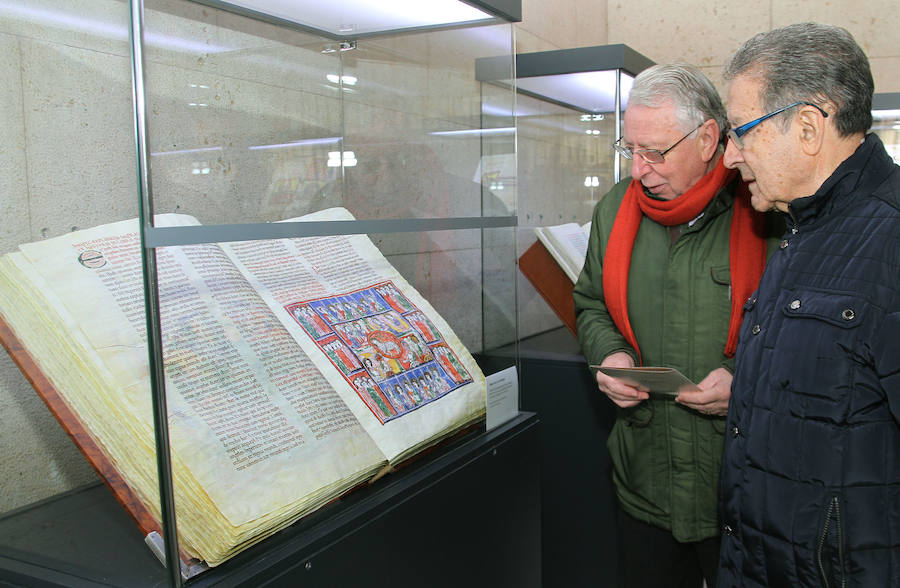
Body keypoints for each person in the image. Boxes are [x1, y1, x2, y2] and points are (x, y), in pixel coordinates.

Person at [573, 63, 778, 587]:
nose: (640, 169)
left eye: (657, 152)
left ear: (709, 138)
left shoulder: (765, 205)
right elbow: (592, 303)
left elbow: (799, 332)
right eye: (630, 149)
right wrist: (610, 355)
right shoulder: (615, 210)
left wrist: (745, 380)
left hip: (740, 484)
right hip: (645, 479)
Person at [716, 23, 900, 587]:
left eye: (740, 132)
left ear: (807, 126)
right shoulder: (802, 227)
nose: (728, 157)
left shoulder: (891, 237)